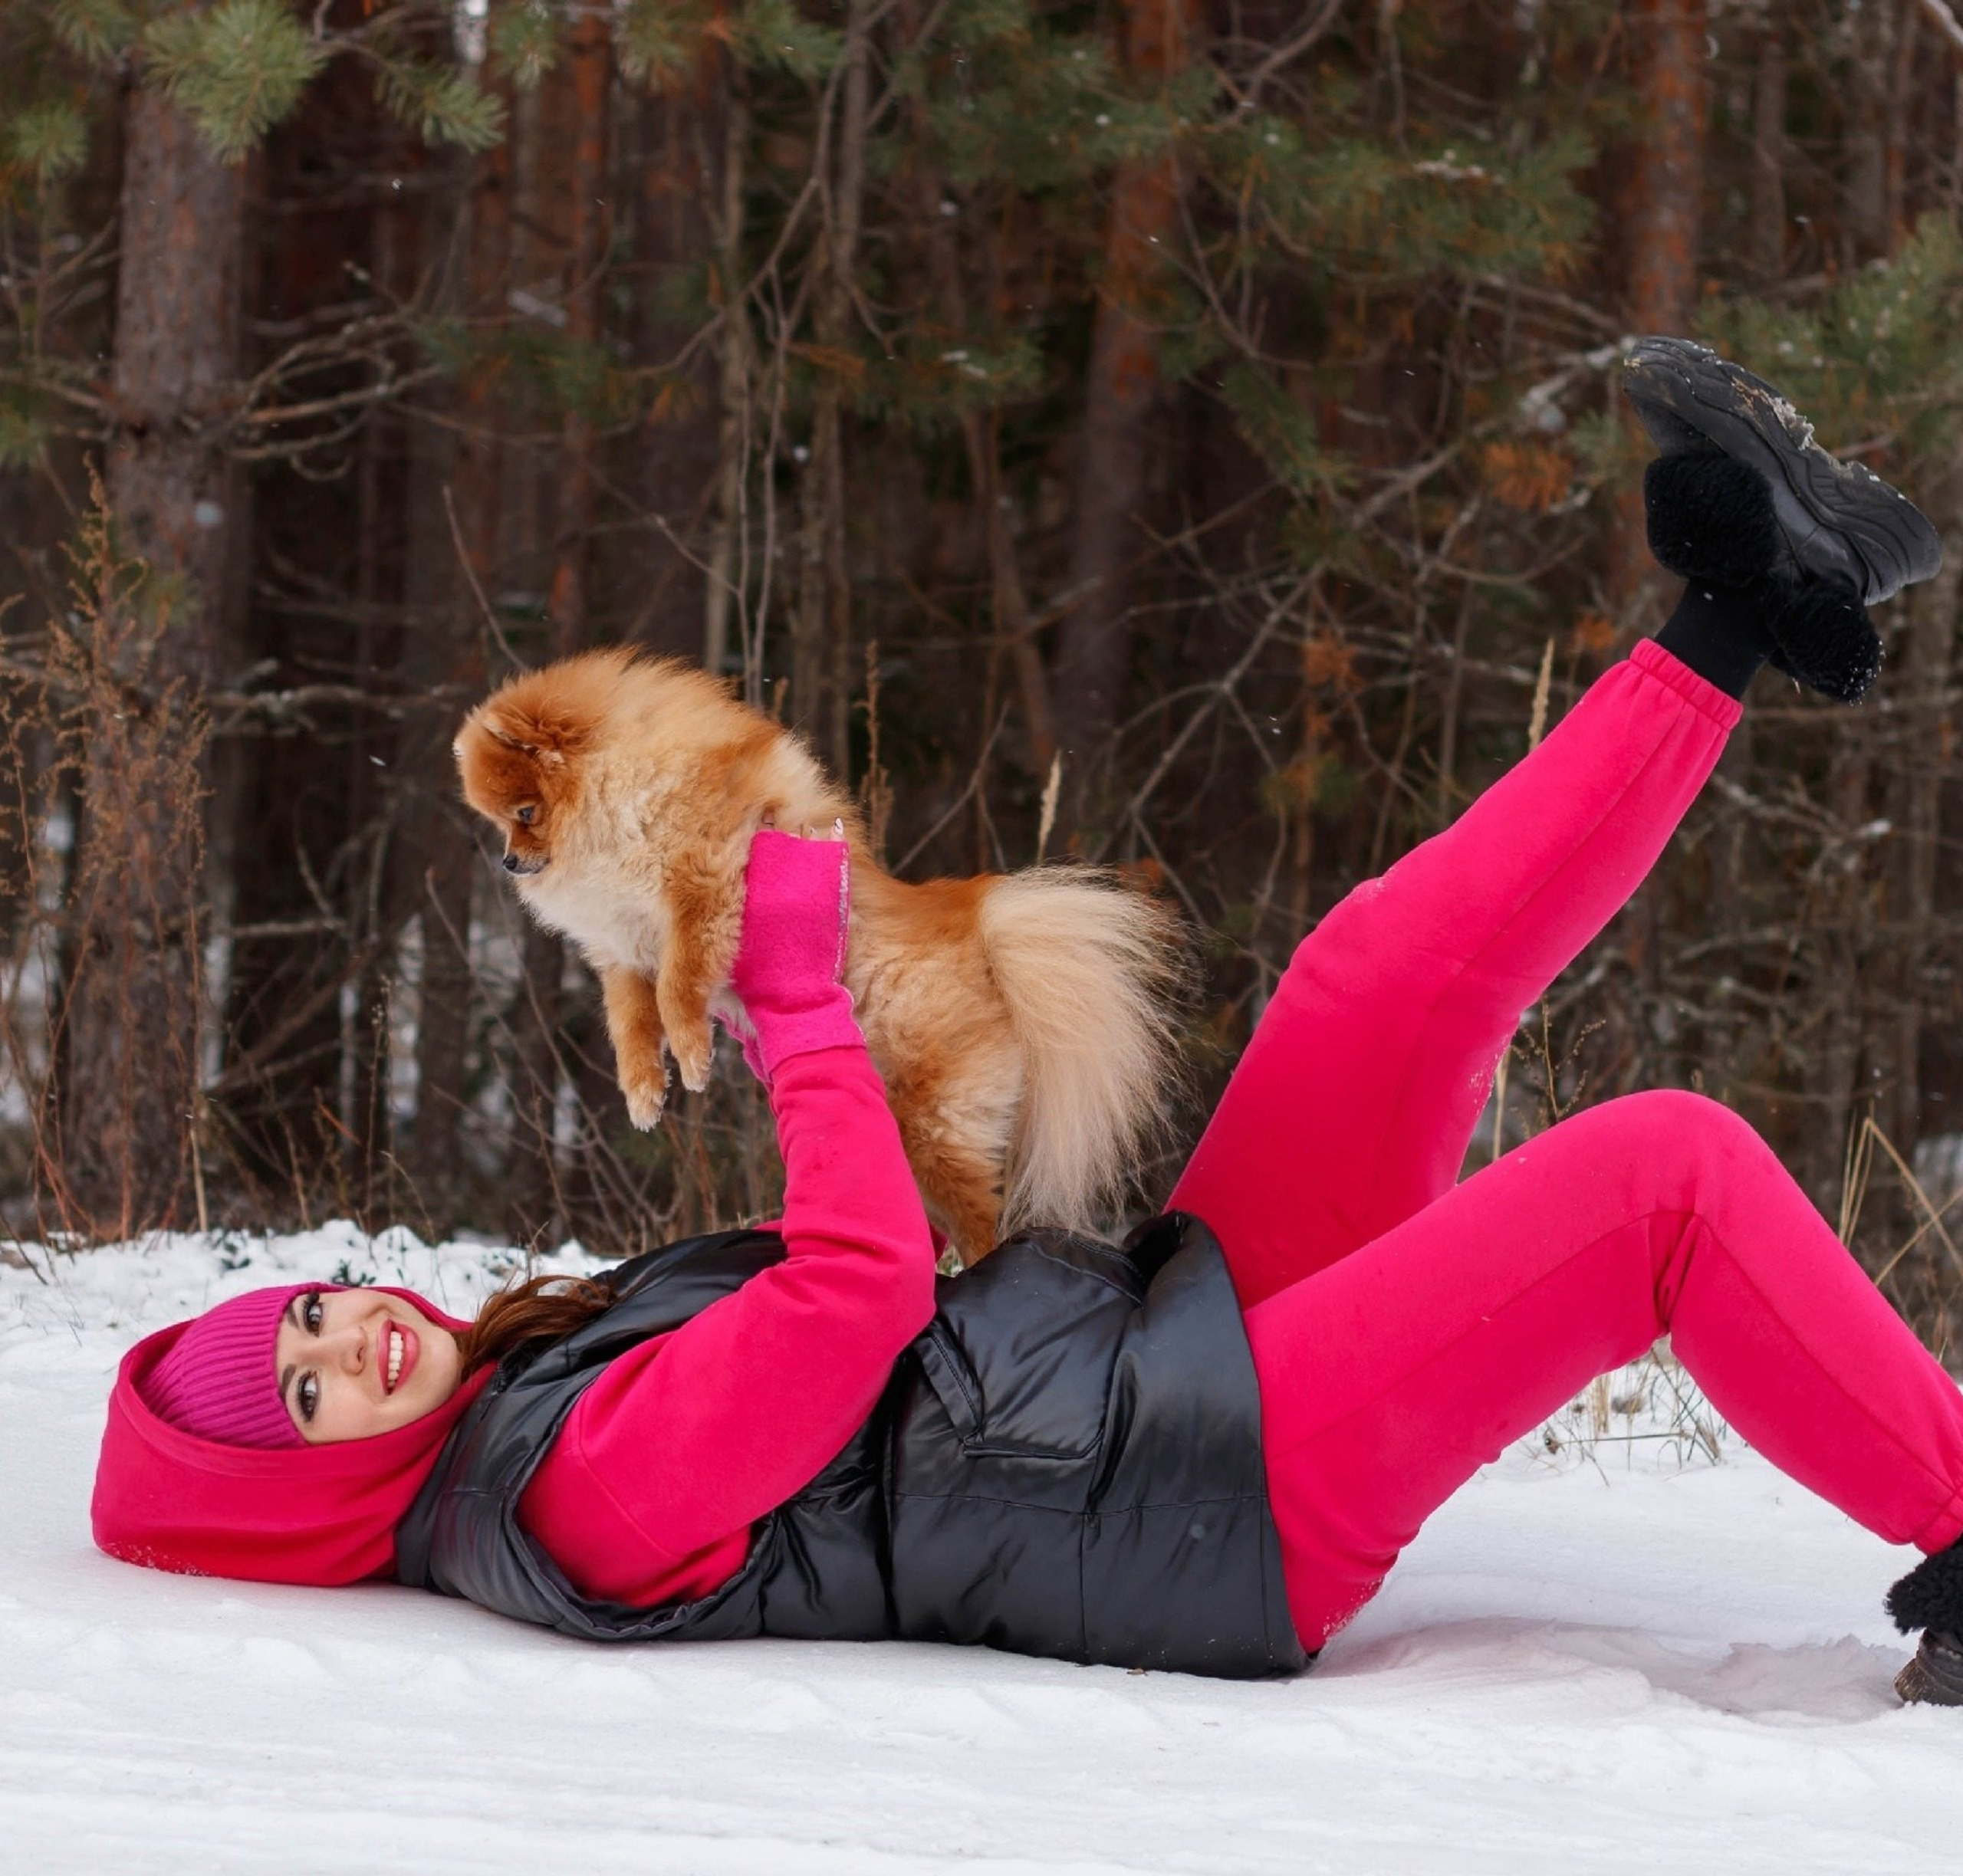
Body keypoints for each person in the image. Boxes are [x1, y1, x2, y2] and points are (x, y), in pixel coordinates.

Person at [92, 339, 1963, 1705]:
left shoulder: (522, 1400)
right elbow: (854, 1292)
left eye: (307, 1319)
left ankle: (1750, 605)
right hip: (1195, 1504)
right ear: (311, 1499)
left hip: (1144, 1367)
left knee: (1376, 982)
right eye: (310, 1396)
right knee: (1659, 1179)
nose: (347, 1338)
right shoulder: (570, 1494)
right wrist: (793, 1005)